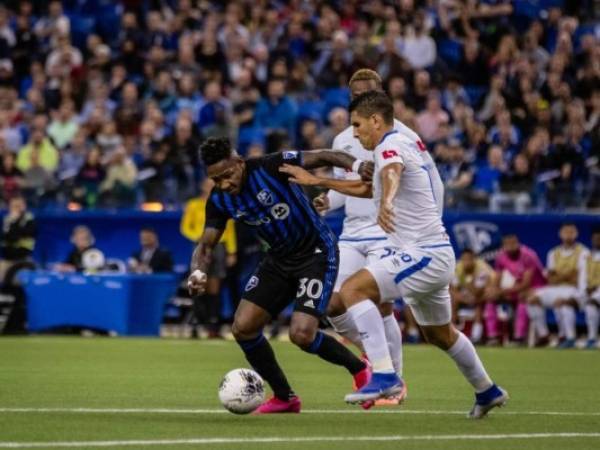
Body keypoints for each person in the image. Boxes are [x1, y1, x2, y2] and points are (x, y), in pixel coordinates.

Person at [280, 91, 507, 418]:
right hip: (435, 253)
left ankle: (385, 375)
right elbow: (366, 186)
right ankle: (487, 390)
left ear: (376, 120)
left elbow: (391, 173)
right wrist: (317, 180)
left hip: (424, 253)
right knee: (439, 334)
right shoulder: (401, 141)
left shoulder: (391, 145)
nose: (356, 133)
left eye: (358, 125)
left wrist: (387, 202)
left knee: (354, 290)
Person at [187, 136, 372, 414]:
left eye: (227, 174)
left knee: (301, 334)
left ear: (239, 162)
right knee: (243, 327)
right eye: (216, 180)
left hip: (316, 252)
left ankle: (360, 370)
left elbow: (325, 155)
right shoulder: (219, 200)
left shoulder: (270, 166)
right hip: (278, 258)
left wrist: (358, 164)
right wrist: (198, 271)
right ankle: (285, 398)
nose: (224, 183)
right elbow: (206, 244)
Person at [315, 69, 416, 407]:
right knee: (330, 302)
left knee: (380, 302)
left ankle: (394, 381)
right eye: (355, 93)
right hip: (352, 232)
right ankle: (375, 357)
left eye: (367, 91)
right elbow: (347, 188)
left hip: (386, 229)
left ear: (380, 93)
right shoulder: (343, 139)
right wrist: (326, 201)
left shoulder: (401, 135)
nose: (360, 97)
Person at [181, 178, 237, 338]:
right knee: (197, 283)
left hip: (219, 246)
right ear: (202, 186)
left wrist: (232, 252)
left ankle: (213, 325)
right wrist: (198, 237)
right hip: (200, 246)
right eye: (207, 184)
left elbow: (230, 229)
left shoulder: (223, 203)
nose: (209, 187)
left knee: (215, 285)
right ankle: (198, 323)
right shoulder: (193, 204)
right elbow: (185, 227)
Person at [527, 224, 588, 348]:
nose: (568, 235)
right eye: (565, 232)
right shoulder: (553, 253)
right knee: (532, 299)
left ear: (576, 234)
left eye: (571, 232)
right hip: (556, 288)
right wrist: (568, 274)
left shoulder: (583, 252)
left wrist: (560, 275)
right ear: (560, 234)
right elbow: (551, 278)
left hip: (575, 289)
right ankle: (544, 335)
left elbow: (578, 277)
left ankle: (570, 337)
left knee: (563, 303)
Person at [493, 234, 546, 345]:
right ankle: (493, 336)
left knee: (523, 301)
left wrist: (503, 291)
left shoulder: (528, 255)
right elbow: (497, 277)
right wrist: (495, 291)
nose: (511, 246)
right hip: (516, 289)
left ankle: (519, 337)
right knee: (491, 299)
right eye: (508, 244)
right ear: (503, 246)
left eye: (514, 243)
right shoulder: (500, 257)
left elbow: (526, 284)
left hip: (537, 287)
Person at [450, 249, 496, 344]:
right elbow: (454, 290)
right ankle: (452, 333)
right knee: (452, 301)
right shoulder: (458, 268)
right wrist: (462, 298)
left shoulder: (481, 269)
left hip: (481, 295)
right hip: (465, 296)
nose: (466, 262)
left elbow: (477, 292)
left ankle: (476, 336)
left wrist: (469, 281)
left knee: (479, 305)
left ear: (474, 259)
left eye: (469, 259)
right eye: (464, 259)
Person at [0, 196, 36, 283]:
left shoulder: (29, 219)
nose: (15, 209)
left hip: (23, 259)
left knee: (20, 284)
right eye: (13, 206)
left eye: (18, 206)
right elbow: (5, 237)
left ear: (23, 206)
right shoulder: (7, 220)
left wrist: (15, 222)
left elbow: (24, 234)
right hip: (7, 258)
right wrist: (12, 223)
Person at [584, 228, 600, 349]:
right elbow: (583, 276)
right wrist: (587, 288)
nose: (597, 241)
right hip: (591, 291)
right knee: (590, 304)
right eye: (595, 239)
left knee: (592, 302)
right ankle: (592, 338)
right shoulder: (587, 256)